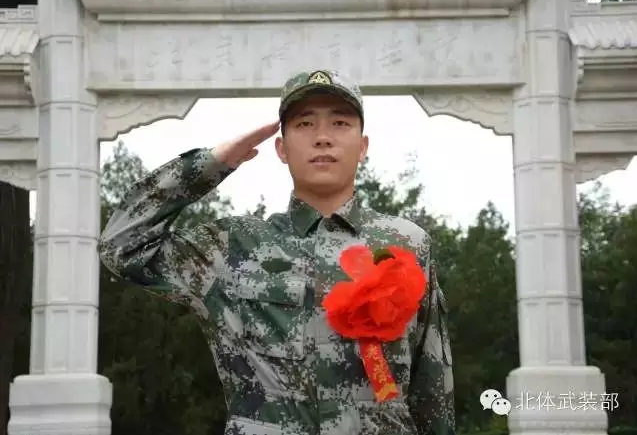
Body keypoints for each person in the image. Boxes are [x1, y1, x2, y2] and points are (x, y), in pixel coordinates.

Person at [99, 69, 455, 435]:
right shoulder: (232, 246)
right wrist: (213, 163)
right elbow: (121, 246)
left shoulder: (406, 243)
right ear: (281, 149)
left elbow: (432, 387)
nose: (322, 137)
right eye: (304, 124)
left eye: (340, 123)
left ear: (363, 146)